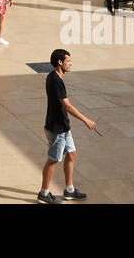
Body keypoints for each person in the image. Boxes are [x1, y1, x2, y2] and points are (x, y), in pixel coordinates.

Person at [37, 48, 94, 203]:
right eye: (68, 61)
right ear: (60, 62)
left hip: (63, 126)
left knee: (71, 154)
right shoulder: (56, 81)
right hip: (57, 128)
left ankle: (69, 190)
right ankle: (43, 193)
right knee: (53, 160)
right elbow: (67, 106)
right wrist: (85, 119)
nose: (71, 63)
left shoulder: (53, 76)